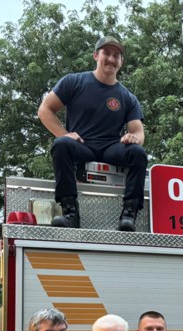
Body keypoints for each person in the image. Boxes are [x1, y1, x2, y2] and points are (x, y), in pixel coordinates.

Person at [38, 36, 147, 231]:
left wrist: (133, 138)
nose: (111, 59)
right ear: (96, 55)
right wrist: (64, 134)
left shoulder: (127, 97)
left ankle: (129, 215)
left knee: (137, 153)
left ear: (121, 61)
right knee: (61, 145)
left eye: (117, 55)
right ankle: (70, 213)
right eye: (107, 53)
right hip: (81, 144)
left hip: (110, 148)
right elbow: (45, 110)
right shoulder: (74, 82)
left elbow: (138, 131)